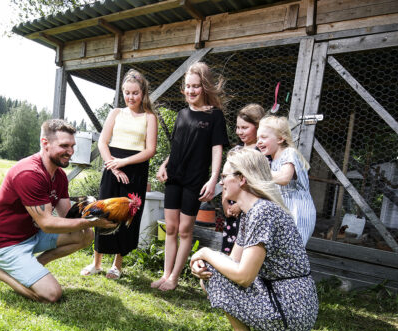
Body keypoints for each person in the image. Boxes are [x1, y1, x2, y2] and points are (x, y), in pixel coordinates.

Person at [190, 148, 318, 331]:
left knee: (214, 269)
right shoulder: (254, 212)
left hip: (289, 312)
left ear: (241, 179)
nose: (221, 183)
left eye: (224, 177)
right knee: (216, 266)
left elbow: (243, 276)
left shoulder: (262, 212)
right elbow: (232, 262)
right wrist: (205, 261)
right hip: (296, 310)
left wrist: (204, 253)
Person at [0, 119, 114, 302]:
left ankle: (34, 266)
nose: (70, 152)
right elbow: (47, 224)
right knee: (51, 295)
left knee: (85, 235)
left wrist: (95, 210)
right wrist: (91, 221)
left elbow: (66, 216)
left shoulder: (59, 175)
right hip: (4, 243)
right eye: (64, 146)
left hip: (31, 235)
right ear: (45, 143)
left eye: (72, 146)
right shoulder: (29, 173)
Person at [153, 61, 229, 291]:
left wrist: (213, 178)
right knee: (171, 228)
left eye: (196, 86)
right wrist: (164, 165)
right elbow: (177, 146)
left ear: (204, 87)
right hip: (174, 177)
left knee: (185, 231)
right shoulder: (182, 114)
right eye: (188, 86)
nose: (191, 91)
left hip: (195, 180)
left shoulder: (215, 116)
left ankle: (175, 278)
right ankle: (165, 274)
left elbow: (217, 149)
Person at [80, 70, 158, 279]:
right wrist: (114, 167)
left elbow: (150, 150)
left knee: (126, 216)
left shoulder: (150, 117)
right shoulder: (115, 113)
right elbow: (102, 142)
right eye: (127, 93)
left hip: (135, 169)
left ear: (143, 93)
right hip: (112, 166)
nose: (131, 97)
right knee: (102, 212)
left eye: (135, 93)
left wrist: (123, 163)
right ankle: (96, 263)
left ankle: (117, 265)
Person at [257, 115, 316, 245]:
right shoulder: (274, 161)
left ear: (280, 138)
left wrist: (255, 172)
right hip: (285, 211)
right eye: (258, 138)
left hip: (298, 210)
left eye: (264, 137)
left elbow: (284, 178)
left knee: (293, 249)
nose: (258, 142)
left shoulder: (289, 153)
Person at [221, 103, 265, 254]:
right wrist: (225, 201)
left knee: (246, 248)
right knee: (230, 246)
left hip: (249, 209)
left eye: (245, 128)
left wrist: (240, 205)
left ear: (258, 127)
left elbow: (261, 184)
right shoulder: (235, 150)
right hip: (231, 208)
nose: (239, 132)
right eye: (238, 127)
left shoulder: (262, 153)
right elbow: (225, 178)